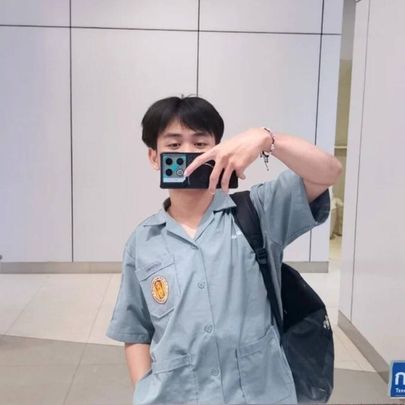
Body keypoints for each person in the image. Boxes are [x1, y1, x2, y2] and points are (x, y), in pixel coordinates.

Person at [106, 95, 342, 405]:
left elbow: (328, 173)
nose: (189, 154)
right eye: (174, 145)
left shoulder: (259, 211)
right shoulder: (143, 242)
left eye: (201, 144)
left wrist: (266, 139)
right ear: (154, 157)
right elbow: (136, 330)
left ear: (220, 150)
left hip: (262, 395)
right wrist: (144, 391)